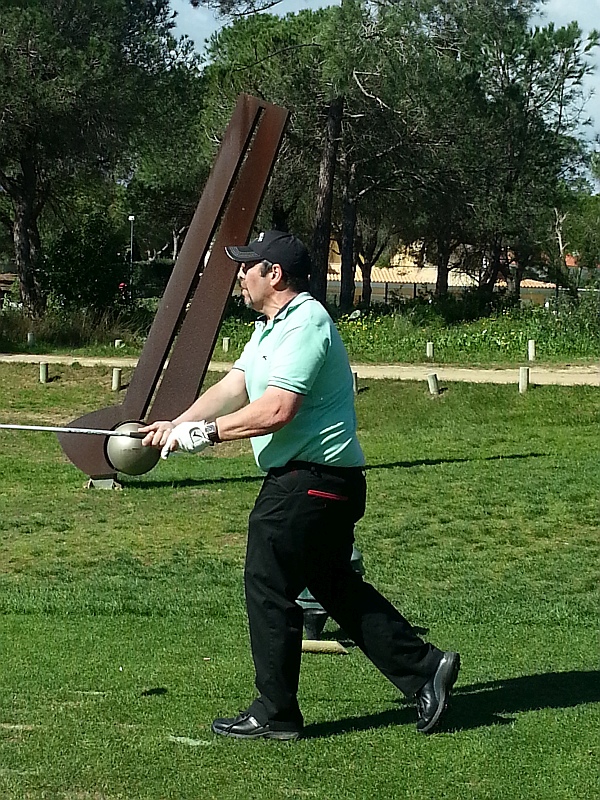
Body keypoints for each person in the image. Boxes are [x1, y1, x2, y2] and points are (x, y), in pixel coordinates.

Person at [140, 230, 460, 741]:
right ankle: (427, 669)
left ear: (275, 275)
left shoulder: (308, 321)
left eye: (249, 266)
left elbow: (277, 410)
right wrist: (175, 425)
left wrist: (207, 435)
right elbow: (235, 386)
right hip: (316, 482)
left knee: (267, 583)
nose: (240, 276)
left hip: (312, 481)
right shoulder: (270, 328)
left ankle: (275, 713)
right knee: (334, 586)